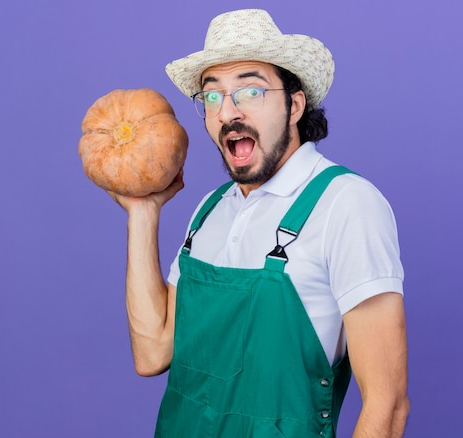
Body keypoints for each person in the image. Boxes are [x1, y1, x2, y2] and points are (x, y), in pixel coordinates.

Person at [109, 9, 409, 438]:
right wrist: (143, 213)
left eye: (250, 90)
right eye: (212, 96)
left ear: (294, 104)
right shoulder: (210, 210)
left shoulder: (346, 204)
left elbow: (389, 402)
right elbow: (152, 353)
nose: (227, 111)